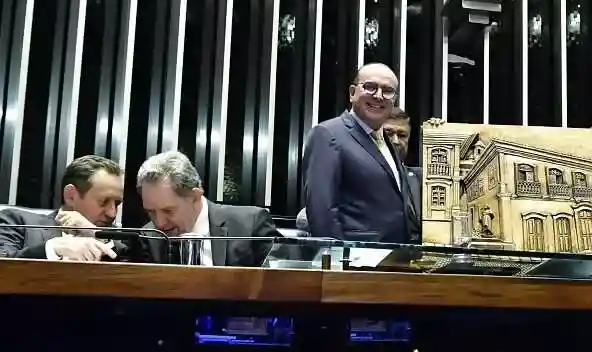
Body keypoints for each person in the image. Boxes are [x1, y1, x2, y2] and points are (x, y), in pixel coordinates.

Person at [302, 64, 421, 244]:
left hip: (394, 259)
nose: (379, 96)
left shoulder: (386, 141)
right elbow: (322, 212)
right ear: (352, 93)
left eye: (388, 91)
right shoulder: (328, 134)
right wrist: (338, 263)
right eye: (370, 87)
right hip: (355, 261)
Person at [136, 151, 278, 267]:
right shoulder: (149, 237)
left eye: (168, 211)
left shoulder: (251, 224)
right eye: (151, 212)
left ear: (195, 196)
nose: (159, 224)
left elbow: (282, 286)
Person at [296, 108, 419, 234]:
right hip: (360, 249)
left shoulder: (419, 178)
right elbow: (321, 212)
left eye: (402, 135)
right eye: (389, 133)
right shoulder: (332, 137)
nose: (395, 141)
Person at [0, 154, 124, 261]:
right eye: (103, 202)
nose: (112, 213)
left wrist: (97, 234)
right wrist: (53, 248)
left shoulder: (118, 241)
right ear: (71, 196)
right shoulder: (17, 222)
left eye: (117, 204)